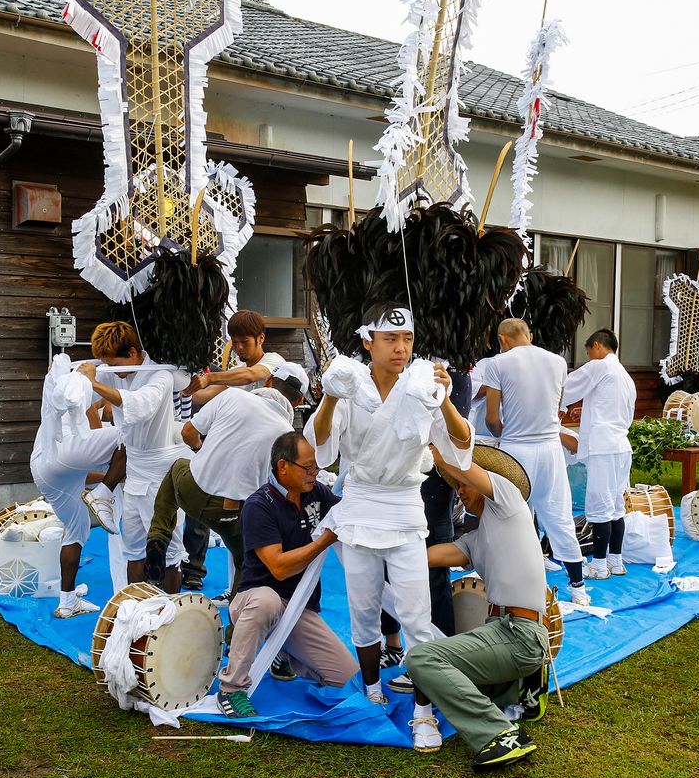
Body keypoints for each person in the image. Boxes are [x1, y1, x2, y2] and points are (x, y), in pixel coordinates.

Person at [305, 302, 473, 703]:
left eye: (407, 339)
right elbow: (322, 451)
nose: (401, 348)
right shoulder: (349, 386)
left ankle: (423, 708)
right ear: (368, 342)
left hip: (404, 506)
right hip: (362, 504)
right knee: (363, 610)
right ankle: (373, 688)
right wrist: (330, 396)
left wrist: (445, 399)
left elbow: (462, 443)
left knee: (416, 612)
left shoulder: (420, 386)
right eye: (391, 339)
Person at [405, 445, 547, 768]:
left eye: (464, 484)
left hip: (518, 635)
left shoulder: (508, 501)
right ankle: (519, 693)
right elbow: (427, 558)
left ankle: (499, 733)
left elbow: (465, 468)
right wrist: (384, 552)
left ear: (487, 481)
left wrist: (435, 453)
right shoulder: (476, 537)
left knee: (421, 659)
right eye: (456, 487)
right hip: (507, 633)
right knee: (452, 680)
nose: (461, 492)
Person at [216, 432, 357, 718]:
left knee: (346, 678)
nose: (315, 474)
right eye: (308, 467)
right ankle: (231, 690)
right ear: (283, 466)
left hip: (298, 608)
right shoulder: (260, 505)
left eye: (317, 467)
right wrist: (324, 541)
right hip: (257, 599)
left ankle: (283, 653)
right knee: (266, 602)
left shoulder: (315, 492)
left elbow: (348, 510)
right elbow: (278, 568)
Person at [144, 363, 307, 593]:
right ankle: (238, 624)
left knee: (178, 467)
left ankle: (158, 536)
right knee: (249, 564)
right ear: (298, 402)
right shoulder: (287, 438)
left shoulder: (232, 396)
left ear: (269, 382)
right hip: (231, 513)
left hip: (192, 490)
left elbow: (187, 433)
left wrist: (202, 452)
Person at [485, 318, 590, 605]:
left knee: (510, 514)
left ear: (503, 340)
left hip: (516, 449)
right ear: (528, 335)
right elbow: (556, 409)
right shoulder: (557, 362)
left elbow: (492, 418)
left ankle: (513, 584)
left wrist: (505, 436)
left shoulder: (498, 363)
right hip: (549, 448)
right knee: (558, 514)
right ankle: (578, 587)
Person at [77, 322, 188, 585]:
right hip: (135, 470)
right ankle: (132, 607)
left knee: (169, 548)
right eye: (108, 364)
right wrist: (69, 375)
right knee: (133, 548)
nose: (114, 371)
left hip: (161, 473)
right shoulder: (119, 369)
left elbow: (139, 405)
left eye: (115, 364)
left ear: (134, 353)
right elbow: (87, 387)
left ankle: (173, 612)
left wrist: (93, 381)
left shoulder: (160, 376)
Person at [30, 355, 126, 617]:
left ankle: (67, 601)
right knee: (129, 437)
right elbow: (91, 431)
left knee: (77, 528)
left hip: (43, 467)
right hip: (66, 453)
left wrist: (111, 472)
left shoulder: (55, 392)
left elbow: (80, 473)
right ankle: (103, 496)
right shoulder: (77, 388)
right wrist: (111, 480)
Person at [562, 329, 637, 581]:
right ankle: (616, 561)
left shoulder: (600, 366)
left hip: (604, 447)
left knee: (600, 506)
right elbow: (611, 407)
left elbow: (566, 388)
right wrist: (587, 410)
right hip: (620, 445)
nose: (589, 358)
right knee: (616, 505)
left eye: (588, 353)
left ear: (597, 346)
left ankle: (599, 564)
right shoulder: (625, 376)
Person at [182, 309, 286, 403]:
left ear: (261, 338)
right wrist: (179, 389)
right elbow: (203, 395)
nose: (239, 347)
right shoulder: (235, 373)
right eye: (235, 342)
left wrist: (208, 378)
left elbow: (251, 375)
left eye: (244, 341)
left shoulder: (274, 360)